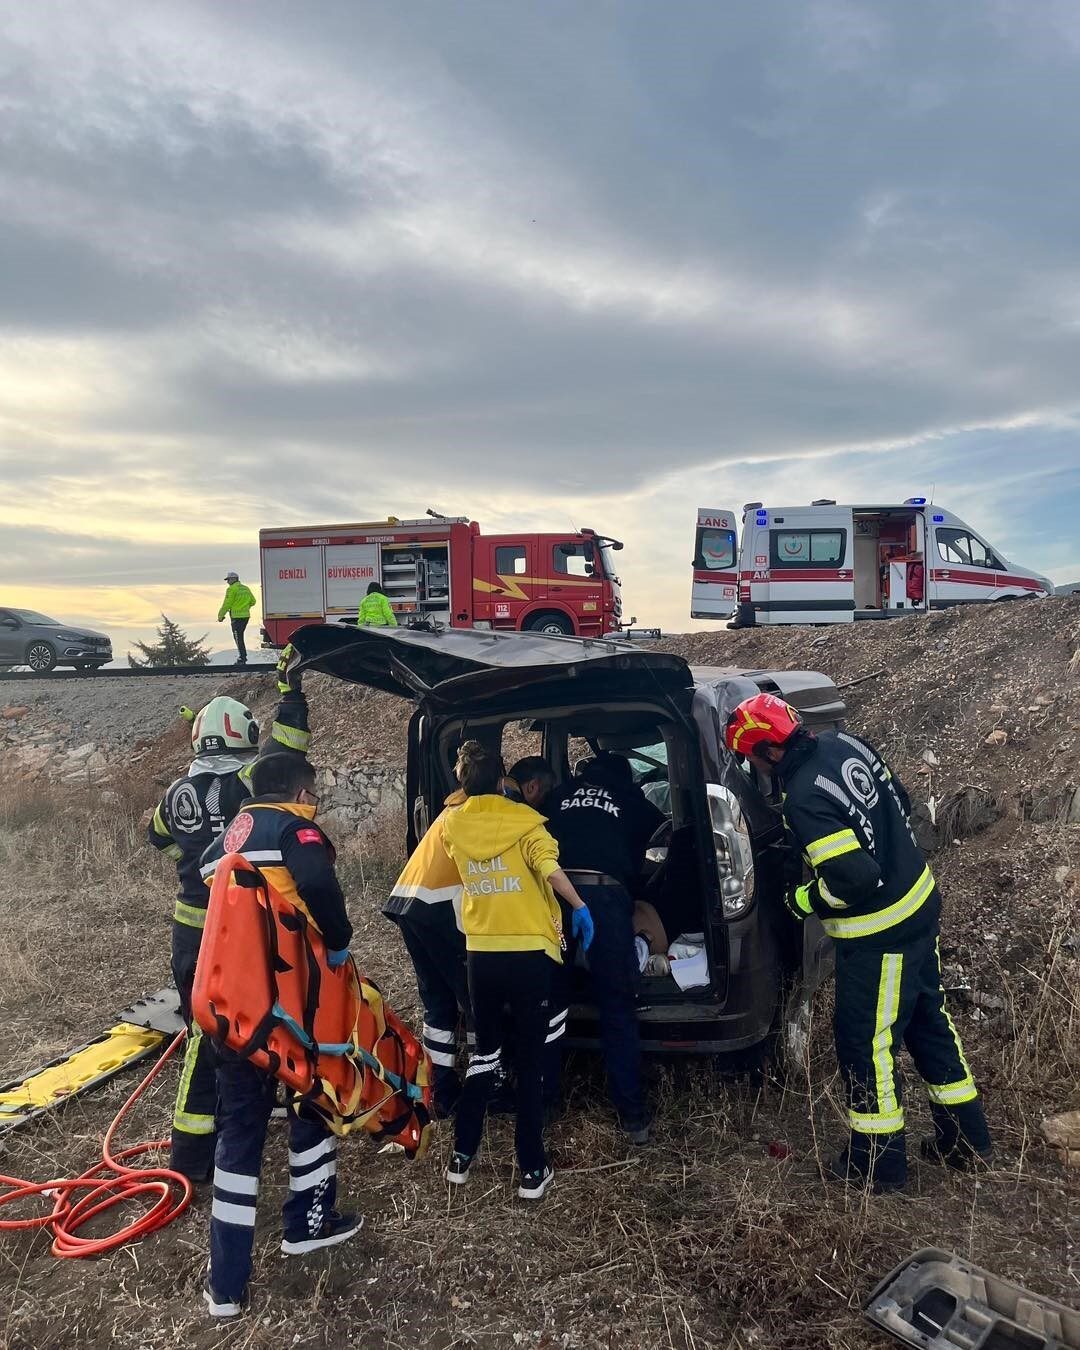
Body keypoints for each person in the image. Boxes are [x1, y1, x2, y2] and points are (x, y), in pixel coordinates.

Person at [725, 693, 992, 1193]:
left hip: (880, 934)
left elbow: (852, 879)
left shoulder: (802, 796)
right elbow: (902, 804)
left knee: (863, 1045)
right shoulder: (845, 742)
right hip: (917, 904)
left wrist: (803, 899)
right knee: (930, 1026)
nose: (753, 768)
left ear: (769, 751)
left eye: (751, 757)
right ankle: (965, 1142)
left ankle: (877, 1164)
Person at [198, 753, 361, 1318]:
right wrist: (337, 936)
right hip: (294, 1008)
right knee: (311, 1105)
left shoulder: (230, 837)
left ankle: (226, 1286)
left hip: (236, 1012)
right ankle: (308, 1225)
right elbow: (315, 878)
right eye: (312, 791)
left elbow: (207, 887)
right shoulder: (296, 827)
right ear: (298, 789)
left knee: (238, 1135)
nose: (315, 801)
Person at [147, 653, 311, 1181]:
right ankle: (193, 1154)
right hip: (236, 929)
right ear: (241, 734)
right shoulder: (246, 780)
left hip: (189, 926)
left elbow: (159, 839)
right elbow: (288, 748)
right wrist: (291, 692)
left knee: (205, 1028)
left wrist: (193, 871)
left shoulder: (175, 793)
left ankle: (210, 1135)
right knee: (238, 1021)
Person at [441, 741, 593, 1200]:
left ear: (462, 782)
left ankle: (461, 1158)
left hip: (481, 954)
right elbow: (549, 869)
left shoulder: (451, 825)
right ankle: (531, 1169)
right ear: (503, 779)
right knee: (528, 1061)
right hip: (529, 952)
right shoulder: (527, 823)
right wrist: (580, 905)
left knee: (484, 1055)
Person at [544, 754, 664, 1144]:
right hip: (606, 898)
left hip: (556, 899)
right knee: (617, 1004)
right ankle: (633, 1118)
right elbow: (658, 832)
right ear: (622, 778)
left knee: (550, 1002)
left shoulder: (559, 794)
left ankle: (545, 1104)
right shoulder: (629, 797)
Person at [382, 786, 470, 1118]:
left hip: (409, 906)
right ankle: (485, 1086)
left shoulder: (452, 808)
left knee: (437, 1000)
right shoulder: (484, 812)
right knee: (473, 998)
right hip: (439, 912)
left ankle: (442, 1089)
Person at [218, 571, 257, 666]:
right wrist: (245, 607)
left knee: (238, 637)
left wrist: (220, 615)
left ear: (233, 579)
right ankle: (242, 656)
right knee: (240, 636)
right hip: (246, 616)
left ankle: (242, 658)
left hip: (236, 617)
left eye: (228, 580)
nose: (227, 582)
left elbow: (227, 604)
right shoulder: (245, 588)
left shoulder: (231, 589)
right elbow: (253, 601)